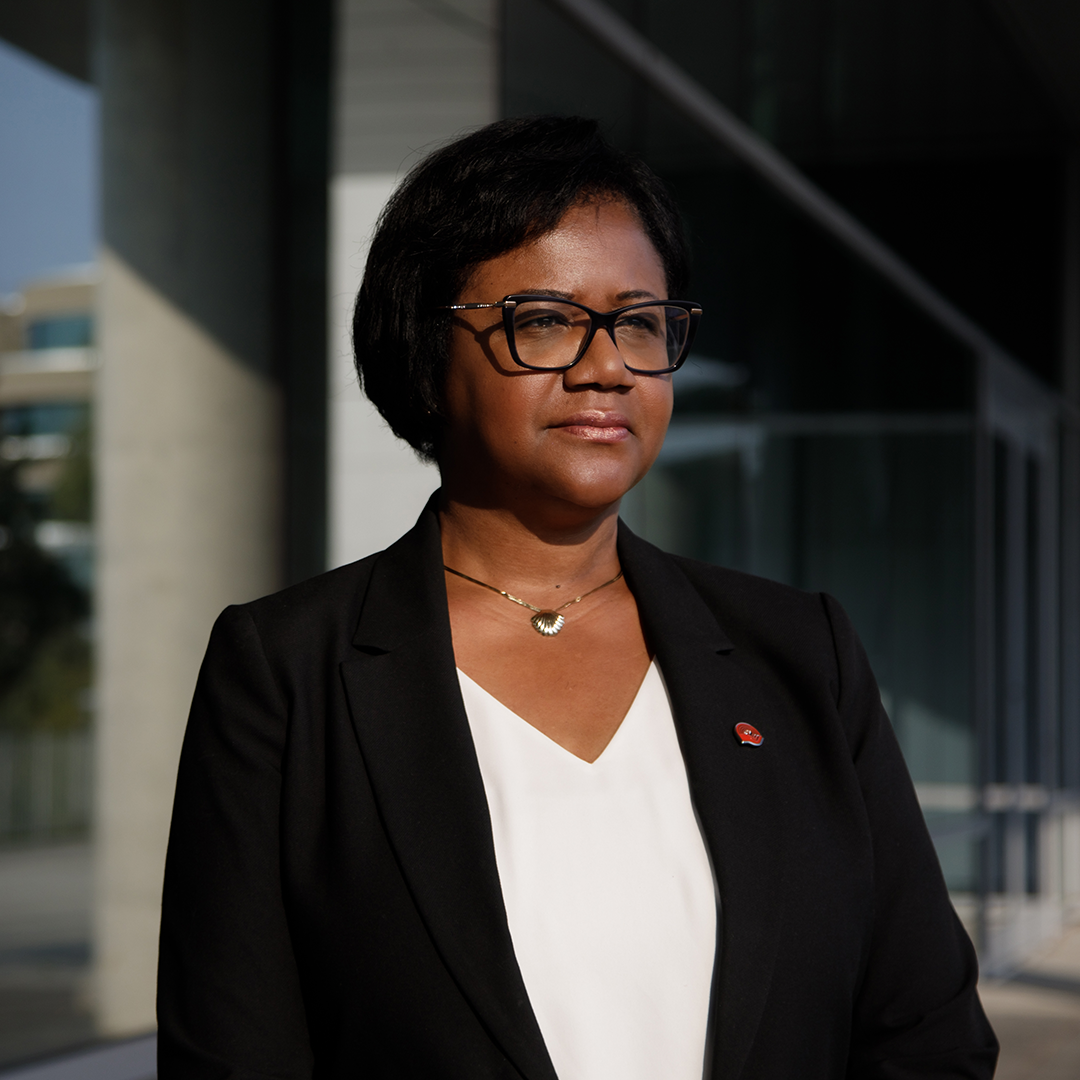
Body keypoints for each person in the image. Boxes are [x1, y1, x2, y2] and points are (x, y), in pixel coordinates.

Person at [157, 116, 998, 1080]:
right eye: (546, 320)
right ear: (426, 353)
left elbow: (927, 1037)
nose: (607, 367)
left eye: (640, 322)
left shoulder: (801, 653)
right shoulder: (288, 672)